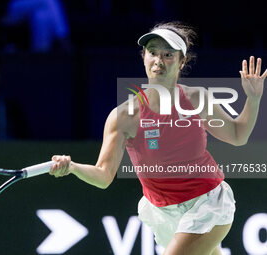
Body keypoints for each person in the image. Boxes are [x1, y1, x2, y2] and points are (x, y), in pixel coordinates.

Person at [48, 22, 266, 254]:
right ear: (143, 57)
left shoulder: (196, 99)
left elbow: (237, 135)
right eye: (152, 52)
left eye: (168, 54)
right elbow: (103, 176)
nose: (158, 61)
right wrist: (72, 167)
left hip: (208, 203)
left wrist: (253, 99)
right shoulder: (123, 116)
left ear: (182, 62)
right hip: (163, 212)